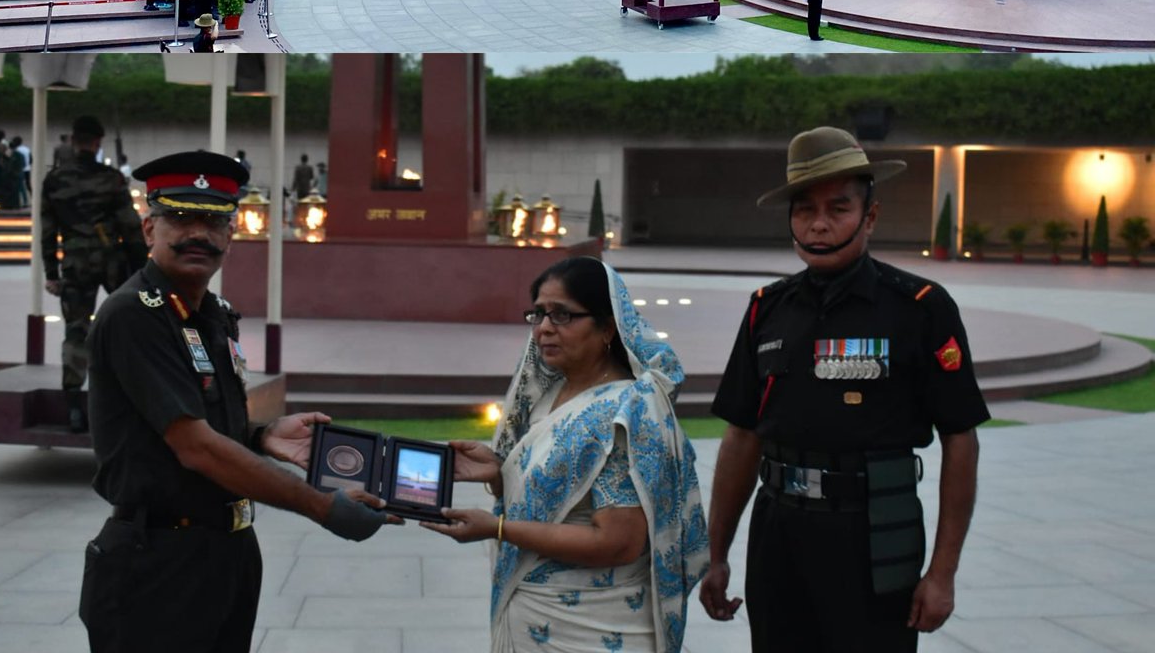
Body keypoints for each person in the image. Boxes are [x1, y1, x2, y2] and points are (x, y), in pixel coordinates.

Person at [78, 150, 399, 653]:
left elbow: (191, 427)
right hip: (157, 564)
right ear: (149, 230)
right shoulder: (135, 314)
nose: (197, 234)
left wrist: (261, 436)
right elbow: (195, 448)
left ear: (231, 234)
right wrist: (320, 506)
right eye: (180, 219)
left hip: (225, 555)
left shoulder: (213, 313)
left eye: (212, 221)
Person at [700, 126, 989, 653]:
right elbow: (741, 434)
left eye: (839, 209)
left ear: (870, 216)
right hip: (779, 532)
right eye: (805, 209)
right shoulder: (768, 309)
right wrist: (716, 554)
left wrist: (942, 573)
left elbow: (961, 439)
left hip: (874, 535)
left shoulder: (920, 308)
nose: (819, 224)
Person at [422, 255, 709, 652]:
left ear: (608, 327)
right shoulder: (548, 396)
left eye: (562, 315)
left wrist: (498, 529)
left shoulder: (628, 411)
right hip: (534, 616)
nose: (543, 329)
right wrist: (499, 472)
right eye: (537, 314)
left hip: (595, 628)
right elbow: (559, 489)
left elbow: (617, 542)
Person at [41, 114, 148, 433]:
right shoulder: (112, 178)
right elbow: (130, 227)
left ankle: (74, 407)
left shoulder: (54, 180)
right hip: (111, 260)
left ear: (73, 140)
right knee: (127, 324)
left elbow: (47, 231)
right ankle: (125, 395)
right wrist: (142, 268)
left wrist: (51, 271)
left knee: (75, 330)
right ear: (98, 142)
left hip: (74, 262)